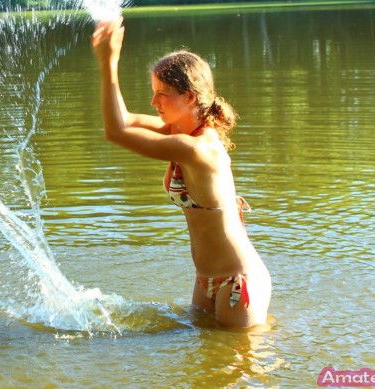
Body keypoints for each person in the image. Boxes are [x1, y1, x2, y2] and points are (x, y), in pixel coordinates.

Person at [91, 18, 271, 328]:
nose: (153, 102)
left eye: (162, 94)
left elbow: (115, 132)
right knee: (203, 366)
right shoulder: (176, 131)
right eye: (153, 92)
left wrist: (110, 63)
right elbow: (122, 119)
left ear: (189, 97)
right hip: (206, 280)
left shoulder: (199, 149)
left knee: (237, 370)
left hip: (238, 284)